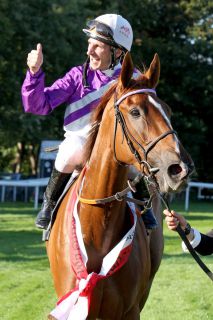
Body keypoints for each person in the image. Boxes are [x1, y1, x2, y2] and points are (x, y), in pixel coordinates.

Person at [21, 13, 158, 231]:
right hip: (80, 142)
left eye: (97, 46)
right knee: (70, 151)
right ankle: (49, 203)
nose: (89, 51)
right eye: (89, 44)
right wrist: (34, 73)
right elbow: (38, 105)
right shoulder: (77, 75)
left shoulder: (135, 79)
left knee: (135, 165)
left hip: (118, 147)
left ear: (118, 51)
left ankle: (143, 206)